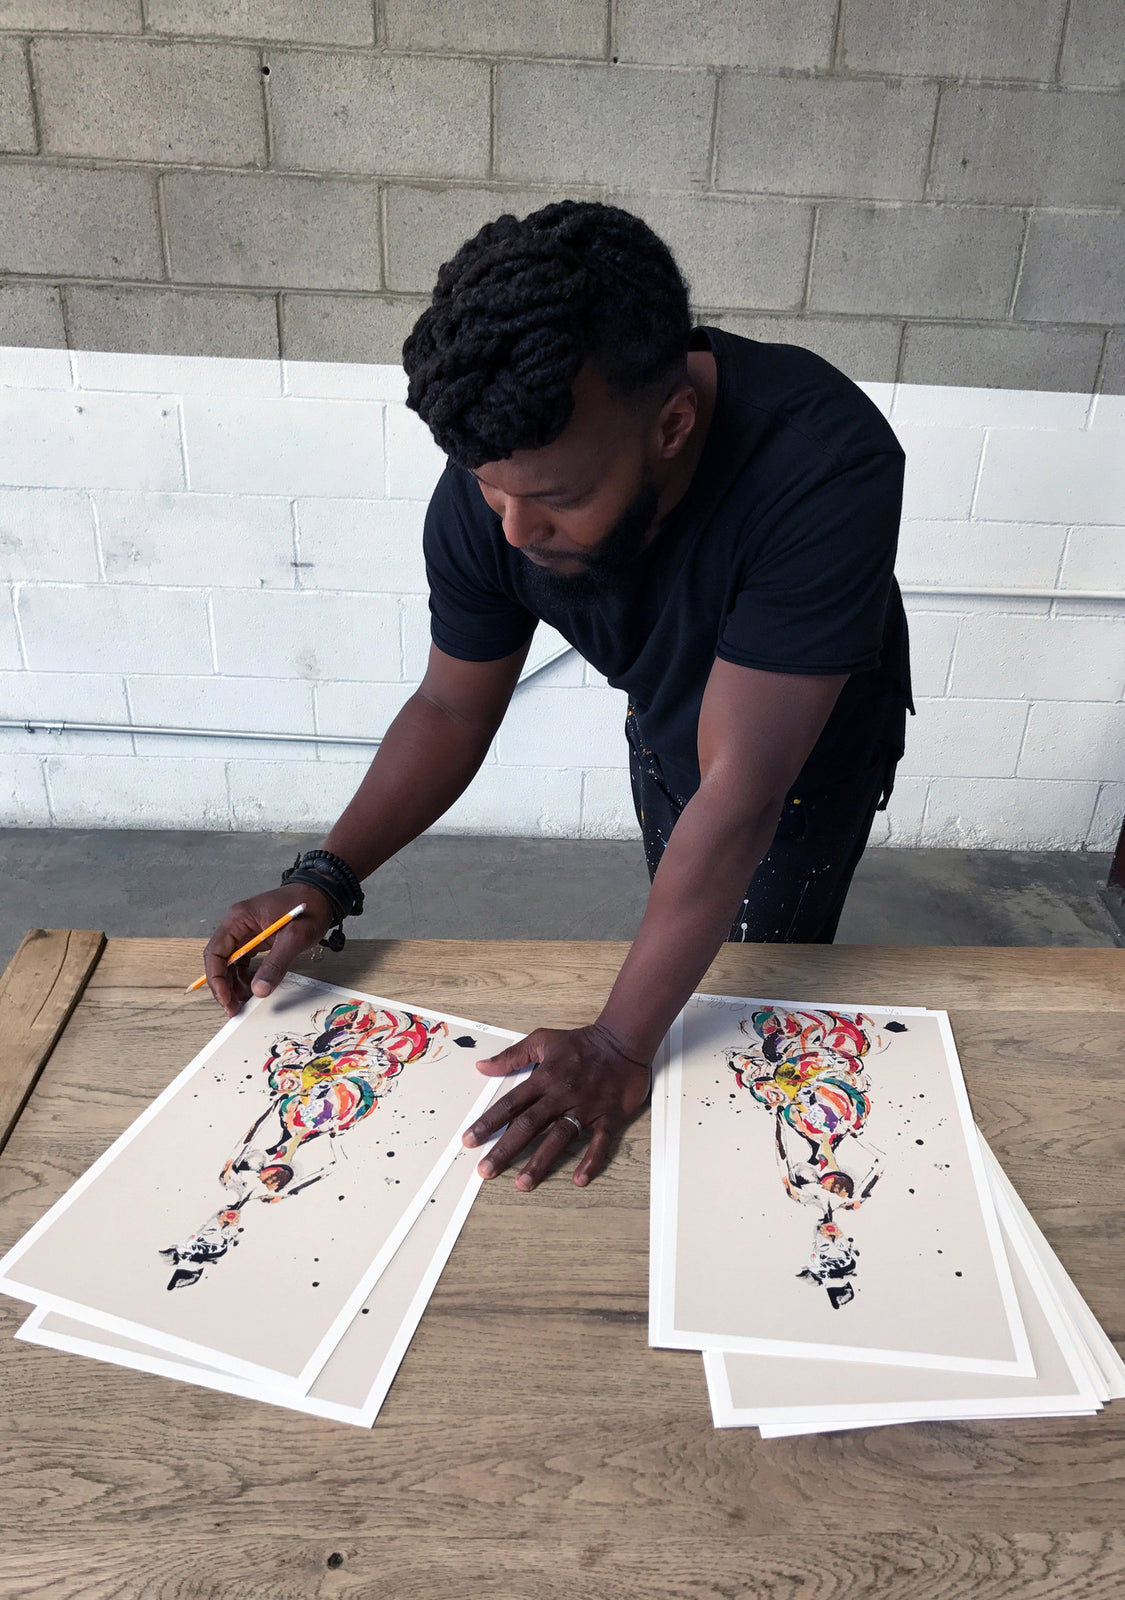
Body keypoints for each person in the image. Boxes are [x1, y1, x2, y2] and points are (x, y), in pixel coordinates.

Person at [203, 200, 911, 1196]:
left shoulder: (824, 465)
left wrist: (619, 1044)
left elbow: (743, 794)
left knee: (756, 1001)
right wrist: (324, 877)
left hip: (803, 761)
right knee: (684, 894)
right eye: (490, 489)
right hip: (671, 720)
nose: (513, 530)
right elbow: (451, 707)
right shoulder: (508, 476)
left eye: (557, 500)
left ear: (672, 426)